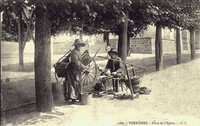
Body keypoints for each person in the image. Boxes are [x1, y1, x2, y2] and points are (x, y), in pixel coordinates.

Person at [64, 39, 88, 103]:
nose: (80, 46)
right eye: (78, 45)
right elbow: (77, 62)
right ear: (76, 45)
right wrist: (84, 67)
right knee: (73, 83)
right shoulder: (74, 52)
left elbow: (80, 62)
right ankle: (73, 99)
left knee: (78, 83)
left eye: (80, 45)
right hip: (72, 69)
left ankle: (78, 97)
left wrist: (83, 68)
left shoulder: (78, 52)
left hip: (77, 69)